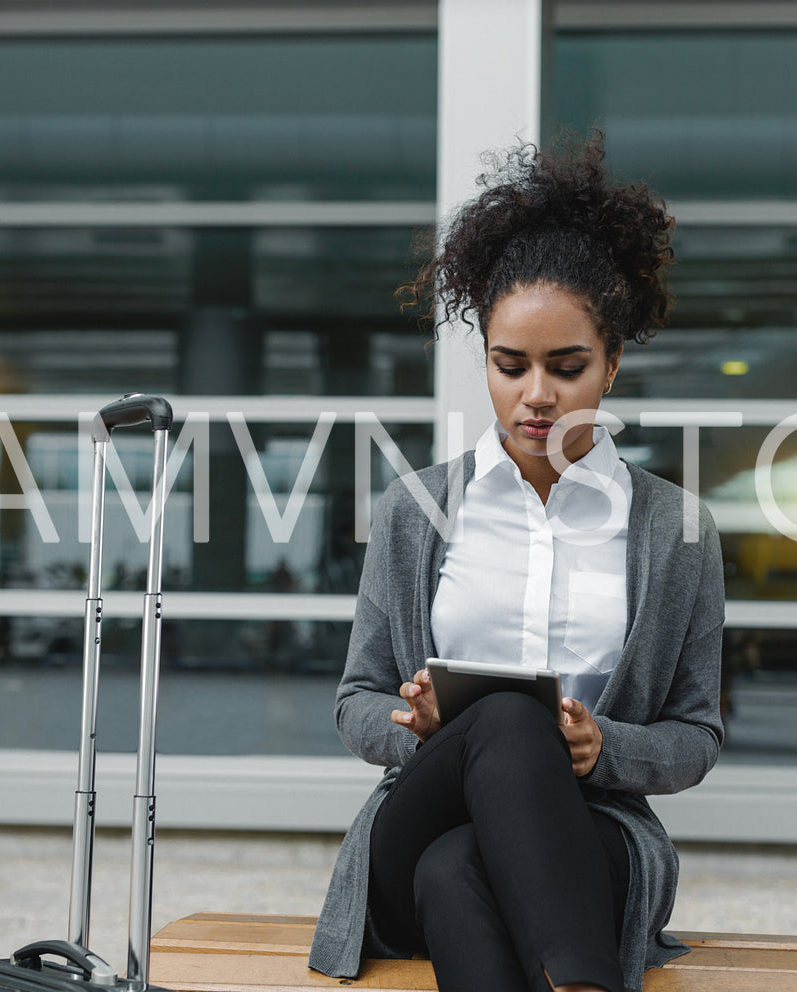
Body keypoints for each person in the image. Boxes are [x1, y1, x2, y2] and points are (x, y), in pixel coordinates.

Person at [308, 132, 725, 992]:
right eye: (510, 366)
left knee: (457, 871)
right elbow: (356, 700)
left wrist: (598, 746)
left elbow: (695, 736)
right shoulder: (415, 510)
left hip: (591, 832)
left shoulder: (674, 529)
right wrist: (414, 726)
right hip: (419, 815)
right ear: (487, 364)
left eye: (565, 367)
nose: (536, 395)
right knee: (501, 720)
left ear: (611, 363)